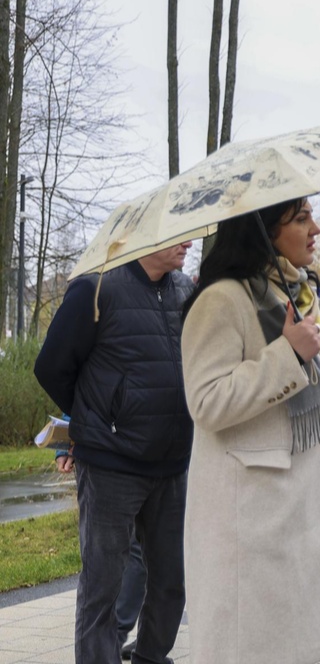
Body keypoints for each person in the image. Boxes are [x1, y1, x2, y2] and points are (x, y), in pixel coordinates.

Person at [179, 197, 320, 664]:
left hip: (297, 509)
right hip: (248, 520)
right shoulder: (222, 299)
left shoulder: (293, 294)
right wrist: (288, 354)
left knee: (295, 647)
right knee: (252, 649)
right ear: (264, 231)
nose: (315, 227)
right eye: (300, 218)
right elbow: (206, 402)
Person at [34, 242, 195, 664]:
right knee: (101, 590)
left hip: (174, 463)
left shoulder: (184, 290)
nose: (189, 243)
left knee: (171, 585)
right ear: (151, 237)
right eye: (179, 236)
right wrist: (96, 419)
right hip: (110, 466)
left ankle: (150, 657)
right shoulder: (95, 289)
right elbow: (51, 366)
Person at [55, 431, 146, 660]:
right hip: (101, 453)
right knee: (103, 560)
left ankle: (125, 636)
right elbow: (76, 395)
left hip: (147, 449)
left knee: (141, 549)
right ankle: (114, 636)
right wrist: (64, 444)